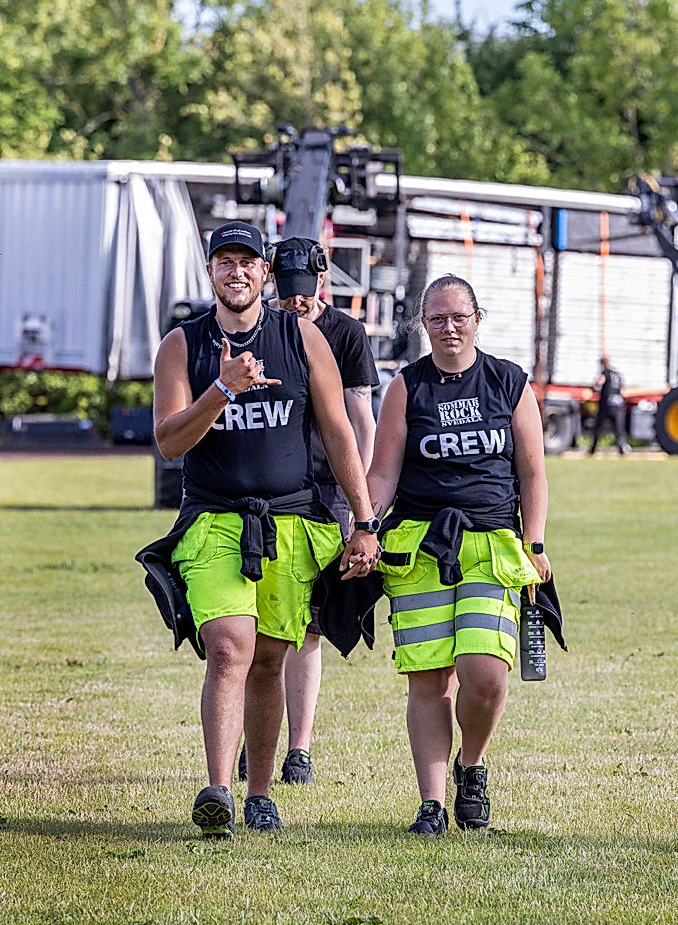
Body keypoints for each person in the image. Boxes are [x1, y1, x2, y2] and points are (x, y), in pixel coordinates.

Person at [142, 221, 381, 838]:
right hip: (214, 520)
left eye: (248, 262)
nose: (237, 272)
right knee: (229, 649)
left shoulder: (301, 338)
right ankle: (218, 790)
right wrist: (222, 390)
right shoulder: (182, 345)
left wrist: (364, 520)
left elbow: (339, 431)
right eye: (225, 261)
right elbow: (169, 441)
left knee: (270, 660)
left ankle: (260, 793)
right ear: (211, 272)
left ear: (264, 273)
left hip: (292, 522)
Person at [366, 273, 552, 835]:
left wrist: (535, 543)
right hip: (420, 547)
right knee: (429, 679)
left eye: (459, 317)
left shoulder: (508, 382)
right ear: (423, 325)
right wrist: (366, 527)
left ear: (477, 319)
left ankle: (471, 767)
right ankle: (431, 803)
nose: (449, 328)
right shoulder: (407, 386)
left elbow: (532, 472)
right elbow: (383, 473)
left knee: (486, 673)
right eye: (438, 319)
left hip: (492, 545)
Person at [236, 237, 379, 786]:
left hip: (331, 490)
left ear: (322, 279)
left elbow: (360, 417)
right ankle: (256, 739)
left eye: (305, 291)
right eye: (286, 291)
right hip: (275, 489)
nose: (296, 301)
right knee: (256, 624)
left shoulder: (345, 333)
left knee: (308, 626)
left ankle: (299, 748)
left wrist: (362, 499)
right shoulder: (260, 328)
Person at [588, 355, 629, 455]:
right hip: (618, 405)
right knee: (619, 428)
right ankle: (622, 448)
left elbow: (599, 382)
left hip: (607, 405)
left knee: (598, 427)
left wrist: (593, 387)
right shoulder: (618, 375)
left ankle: (593, 449)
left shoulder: (605, 373)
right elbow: (622, 390)